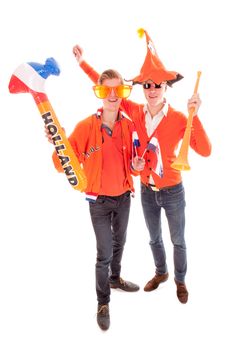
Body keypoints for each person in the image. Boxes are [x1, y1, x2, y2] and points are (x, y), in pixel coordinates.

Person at [73, 28, 212, 304]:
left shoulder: (179, 118)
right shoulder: (135, 111)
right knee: (153, 239)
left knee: (178, 240)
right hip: (146, 190)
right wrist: (83, 64)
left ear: (165, 87)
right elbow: (107, 88)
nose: (151, 90)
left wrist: (195, 116)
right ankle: (161, 273)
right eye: (146, 85)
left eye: (157, 84)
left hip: (172, 190)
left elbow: (205, 150)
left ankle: (180, 280)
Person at [46, 68, 145, 331]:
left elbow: (134, 167)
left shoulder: (129, 125)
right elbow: (61, 164)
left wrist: (136, 165)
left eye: (118, 90)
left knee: (120, 242)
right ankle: (103, 302)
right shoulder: (86, 127)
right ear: (99, 93)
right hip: (99, 202)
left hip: (124, 197)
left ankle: (115, 278)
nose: (112, 95)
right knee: (104, 252)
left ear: (123, 93)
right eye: (106, 90)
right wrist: (59, 143)